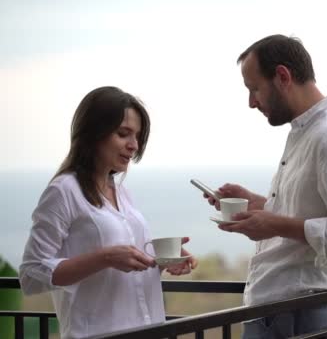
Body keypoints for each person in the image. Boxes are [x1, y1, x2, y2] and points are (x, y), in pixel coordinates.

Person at [204, 35, 327, 338]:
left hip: (298, 317)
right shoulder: (310, 131)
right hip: (288, 313)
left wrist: (275, 225)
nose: (251, 103)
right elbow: (307, 210)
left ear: (283, 77)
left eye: (254, 89)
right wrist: (259, 205)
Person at [19, 86, 197, 339]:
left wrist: (160, 258)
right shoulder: (64, 190)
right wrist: (104, 258)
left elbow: (123, 259)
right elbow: (31, 274)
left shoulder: (122, 193)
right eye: (123, 134)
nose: (134, 145)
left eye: (137, 136)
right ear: (93, 133)